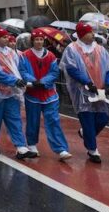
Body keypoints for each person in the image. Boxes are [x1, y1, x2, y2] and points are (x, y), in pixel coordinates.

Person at [60, 22, 109, 164]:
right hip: (82, 91)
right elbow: (71, 69)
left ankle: (85, 134)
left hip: (101, 90)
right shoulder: (72, 49)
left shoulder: (100, 49)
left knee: (103, 118)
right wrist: (87, 82)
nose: (93, 34)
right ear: (81, 34)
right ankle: (92, 149)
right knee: (87, 119)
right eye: (89, 32)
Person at [20, 29, 73, 161]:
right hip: (32, 95)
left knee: (53, 120)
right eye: (36, 39)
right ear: (32, 41)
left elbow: (54, 73)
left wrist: (43, 82)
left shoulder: (50, 56)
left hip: (49, 94)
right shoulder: (25, 55)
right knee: (33, 121)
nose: (39, 42)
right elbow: (22, 71)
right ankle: (31, 145)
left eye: (41, 39)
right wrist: (34, 81)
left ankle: (61, 149)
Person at [0, 27, 30, 159]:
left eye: (7, 37)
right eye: (4, 37)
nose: (7, 39)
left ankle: (21, 146)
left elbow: (18, 67)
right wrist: (14, 80)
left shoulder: (11, 52)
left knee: (14, 117)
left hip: (11, 91)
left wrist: (21, 80)